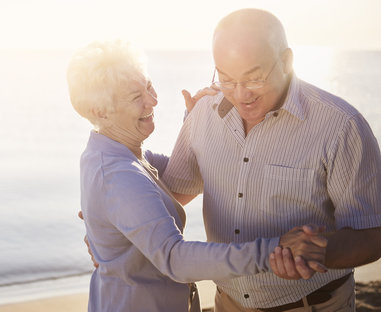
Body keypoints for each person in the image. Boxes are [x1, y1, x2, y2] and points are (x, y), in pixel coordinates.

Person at [66, 40, 328, 312]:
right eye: (136, 98)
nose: (153, 101)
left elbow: (187, 174)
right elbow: (175, 258)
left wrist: (197, 122)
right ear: (99, 111)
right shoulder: (118, 175)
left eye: (149, 86)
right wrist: (276, 249)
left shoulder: (119, 154)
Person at [163, 8, 381, 311]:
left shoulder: (341, 126)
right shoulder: (202, 115)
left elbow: (372, 233)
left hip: (311, 305)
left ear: (287, 61)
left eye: (254, 78)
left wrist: (319, 251)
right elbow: (174, 191)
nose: (241, 95)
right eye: (226, 78)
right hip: (227, 304)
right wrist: (108, 218)